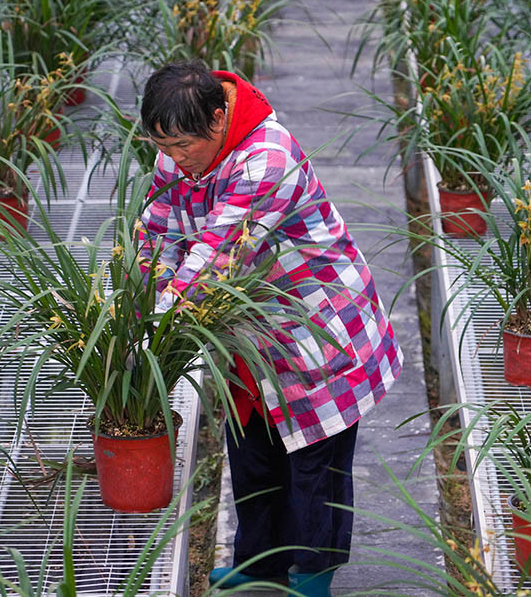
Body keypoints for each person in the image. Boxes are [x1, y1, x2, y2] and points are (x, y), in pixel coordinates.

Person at [138, 60, 402, 596]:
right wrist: (146, 293)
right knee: (252, 445)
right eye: (162, 145)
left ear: (218, 119)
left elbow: (216, 258)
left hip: (317, 323)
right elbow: (156, 231)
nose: (174, 157)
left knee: (315, 458)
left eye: (183, 145)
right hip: (250, 326)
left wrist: (157, 332)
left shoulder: (268, 157)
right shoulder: (178, 151)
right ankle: (261, 562)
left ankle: (313, 573)